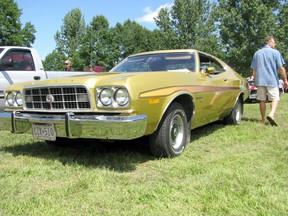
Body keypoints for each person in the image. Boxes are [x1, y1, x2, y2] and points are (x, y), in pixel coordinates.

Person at [250, 36, 288, 126]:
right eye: (274, 42)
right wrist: (285, 80)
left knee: (262, 100)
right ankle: (271, 114)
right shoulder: (275, 53)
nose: (275, 44)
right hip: (271, 80)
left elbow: (254, 70)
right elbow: (281, 68)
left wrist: (254, 79)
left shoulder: (257, 53)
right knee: (275, 98)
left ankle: (263, 119)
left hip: (260, 80)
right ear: (270, 42)